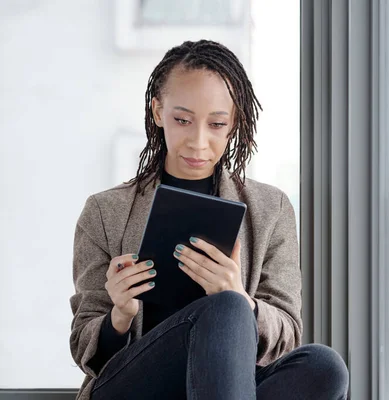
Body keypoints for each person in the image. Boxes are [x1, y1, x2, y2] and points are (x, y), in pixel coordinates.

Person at [69, 39, 349, 400]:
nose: (198, 142)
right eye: (182, 120)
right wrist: (119, 315)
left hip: (226, 386)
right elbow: (85, 349)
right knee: (226, 308)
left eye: (216, 124)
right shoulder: (105, 213)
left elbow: (287, 333)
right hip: (133, 389)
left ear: (234, 123)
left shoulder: (271, 209)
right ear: (158, 111)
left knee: (324, 365)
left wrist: (238, 298)